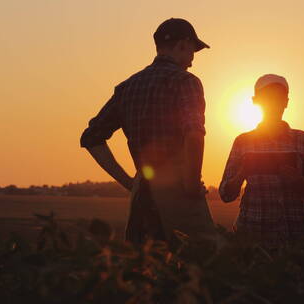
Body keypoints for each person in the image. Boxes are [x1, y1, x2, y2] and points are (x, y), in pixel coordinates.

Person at [80, 18, 215, 244]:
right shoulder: (186, 82)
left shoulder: (127, 87)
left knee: (148, 269)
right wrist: (191, 186)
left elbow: (91, 138)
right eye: (193, 51)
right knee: (201, 264)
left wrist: (130, 183)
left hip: (143, 195)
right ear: (183, 44)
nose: (192, 60)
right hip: (179, 190)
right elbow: (194, 134)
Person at [219, 74, 304, 249]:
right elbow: (225, 194)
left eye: (279, 97)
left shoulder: (302, 140)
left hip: (296, 236)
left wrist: (297, 180)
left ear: (286, 102)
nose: (274, 102)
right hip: (252, 237)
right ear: (256, 101)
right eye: (268, 97)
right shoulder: (243, 142)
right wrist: (241, 174)